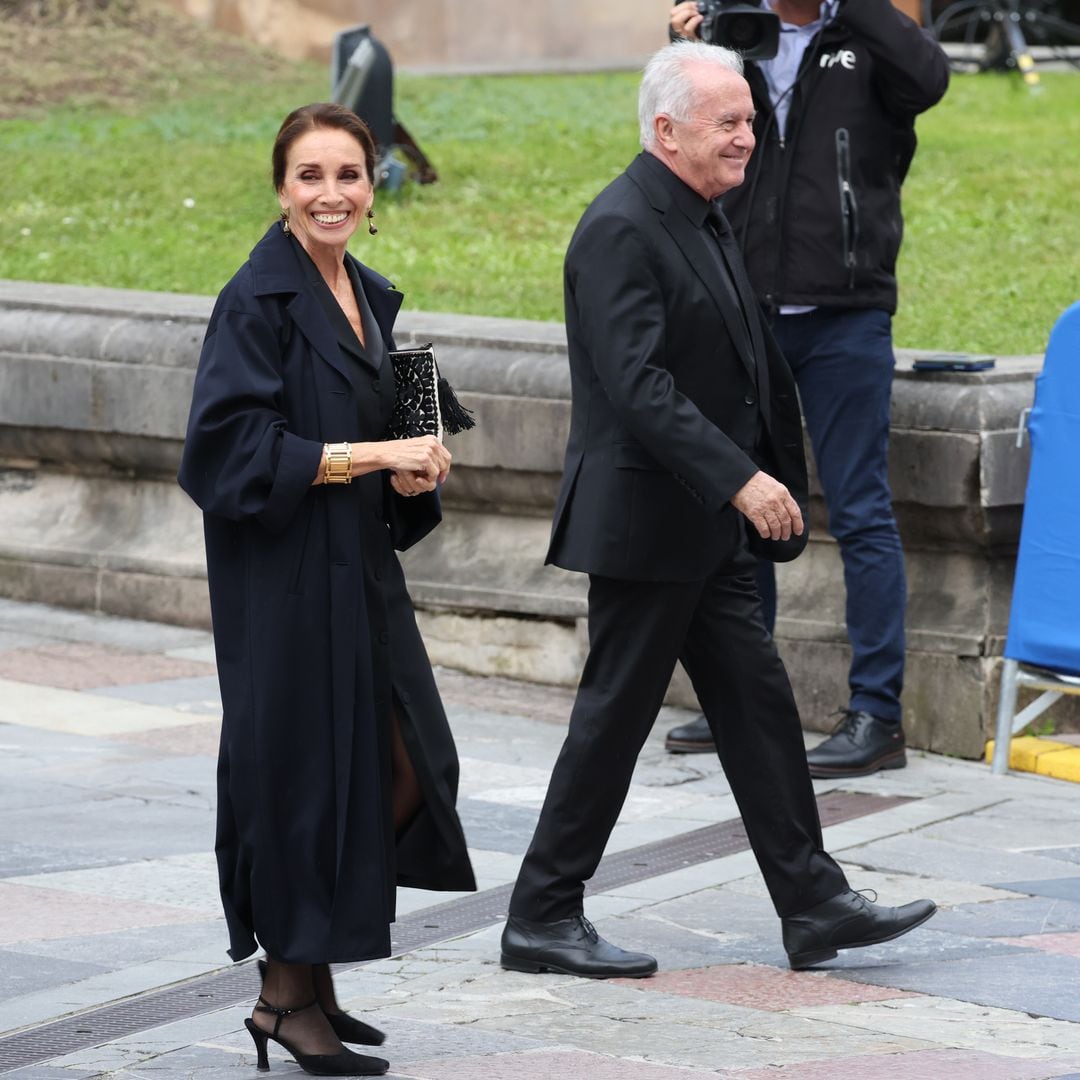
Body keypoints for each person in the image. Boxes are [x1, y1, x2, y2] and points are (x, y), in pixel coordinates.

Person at [499, 42, 935, 980]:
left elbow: (744, 357)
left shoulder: (701, 212)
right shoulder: (621, 226)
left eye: (748, 118)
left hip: (705, 527)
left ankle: (812, 903)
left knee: (758, 706)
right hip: (650, 522)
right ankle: (540, 913)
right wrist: (743, 478)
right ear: (667, 131)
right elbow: (638, 385)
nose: (748, 136)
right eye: (728, 123)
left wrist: (762, 478)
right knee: (613, 718)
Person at [178, 103, 475, 1077]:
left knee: (407, 766)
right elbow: (228, 452)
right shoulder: (254, 302)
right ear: (280, 189)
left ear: (373, 185)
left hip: (362, 577)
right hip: (285, 587)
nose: (331, 194)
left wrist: (419, 462)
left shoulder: (370, 293)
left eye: (348, 175)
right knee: (309, 786)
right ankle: (284, 995)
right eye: (310, 176)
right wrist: (371, 453)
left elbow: (406, 410)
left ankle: (309, 972)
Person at [663, 0, 950, 776]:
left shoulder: (866, 34)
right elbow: (678, 137)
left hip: (845, 314)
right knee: (744, 503)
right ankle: (742, 705)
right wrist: (688, 41)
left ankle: (877, 716)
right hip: (746, 307)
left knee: (860, 512)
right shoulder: (737, 33)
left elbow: (931, 79)